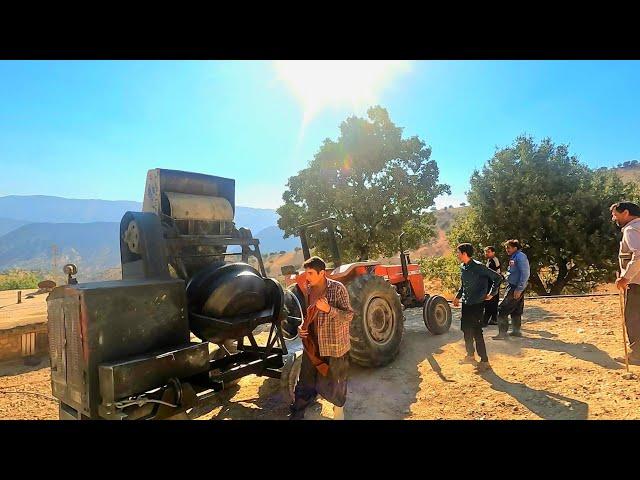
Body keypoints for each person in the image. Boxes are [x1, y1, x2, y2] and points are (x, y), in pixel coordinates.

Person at [289, 256, 354, 420]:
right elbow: (308, 314)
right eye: (306, 272)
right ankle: (297, 413)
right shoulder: (308, 290)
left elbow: (348, 316)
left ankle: (338, 408)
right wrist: (301, 327)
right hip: (312, 345)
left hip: (334, 345)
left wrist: (328, 309)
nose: (307, 276)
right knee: (304, 381)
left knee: (336, 382)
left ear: (322, 273)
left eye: (310, 273)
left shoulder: (338, 289)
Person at [453, 243, 503, 372]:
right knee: (466, 330)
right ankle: (470, 355)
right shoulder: (463, 266)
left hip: (477, 304)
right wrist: (458, 297)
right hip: (466, 303)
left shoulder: (479, 266)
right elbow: (463, 285)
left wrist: (492, 293)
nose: (457, 255)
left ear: (464, 253)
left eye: (458, 252)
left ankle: (485, 361)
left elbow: (497, 278)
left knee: (476, 332)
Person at [611, 202, 640, 365]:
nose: (613, 218)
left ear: (626, 212)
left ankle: (637, 355)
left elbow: (639, 255)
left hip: (637, 282)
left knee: (634, 318)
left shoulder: (631, 229)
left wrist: (625, 277)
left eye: (615, 214)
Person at [492, 239, 530, 340]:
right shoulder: (515, 257)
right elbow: (513, 271)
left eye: (508, 247)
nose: (506, 249)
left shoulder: (520, 257)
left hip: (515, 287)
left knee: (502, 309)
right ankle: (516, 331)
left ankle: (502, 334)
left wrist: (519, 289)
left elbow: (525, 273)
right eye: (506, 248)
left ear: (515, 247)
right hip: (514, 286)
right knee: (516, 310)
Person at [482, 246, 501, 326]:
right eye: (486, 252)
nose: (487, 253)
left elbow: (494, 274)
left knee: (489, 303)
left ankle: (484, 321)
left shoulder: (493, 260)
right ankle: (494, 319)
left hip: (493, 284)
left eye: (488, 252)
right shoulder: (490, 260)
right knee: (493, 302)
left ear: (493, 252)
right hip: (492, 284)